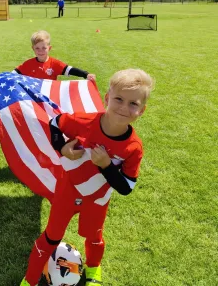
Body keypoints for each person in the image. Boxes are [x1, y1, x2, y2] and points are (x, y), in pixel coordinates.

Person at [20, 68, 154, 286]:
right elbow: (55, 123)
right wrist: (62, 147)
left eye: (133, 103)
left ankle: (93, 271)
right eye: (119, 99)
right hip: (67, 191)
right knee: (52, 236)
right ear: (107, 98)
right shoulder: (83, 121)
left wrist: (107, 166)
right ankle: (30, 280)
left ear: (142, 110)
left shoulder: (133, 148)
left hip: (98, 198)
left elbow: (126, 187)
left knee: (93, 237)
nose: (123, 108)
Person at [13, 30, 95, 81]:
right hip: (35, 99)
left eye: (44, 48)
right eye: (37, 48)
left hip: (50, 98)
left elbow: (70, 70)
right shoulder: (28, 64)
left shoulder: (54, 63)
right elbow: (15, 73)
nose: (40, 51)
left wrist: (86, 74)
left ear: (49, 48)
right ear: (33, 48)